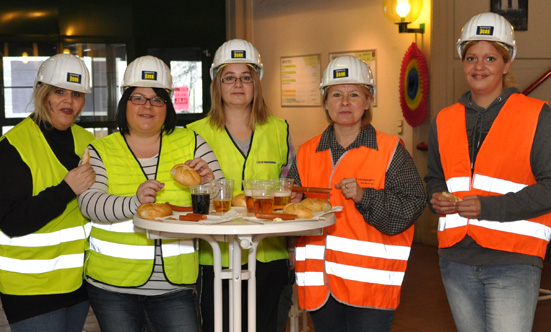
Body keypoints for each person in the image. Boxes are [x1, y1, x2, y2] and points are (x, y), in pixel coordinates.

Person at [425, 12, 551, 332]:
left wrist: (487, 207)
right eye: (471, 57)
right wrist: (435, 197)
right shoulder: (445, 119)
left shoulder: (537, 115)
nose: (479, 66)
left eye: (490, 57)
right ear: (462, 61)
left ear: (507, 64)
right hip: (456, 258)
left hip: (513, 260)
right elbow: (435, 177)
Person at [77, 55, 223, 332]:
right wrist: (135, 202)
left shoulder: (192, 142)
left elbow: (219, 205)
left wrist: (208, 184)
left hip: (175, 286)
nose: (148, 106)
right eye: (138, 98)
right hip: (112, 285)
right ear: (125, 102)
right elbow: (90, 204)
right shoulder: (100, 149)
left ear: (167, 106)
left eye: (157, 99)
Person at [288, 55, 426, 332]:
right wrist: (292, 204)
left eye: (354, 94)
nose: (345, 102)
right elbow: (292, 210)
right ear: (325, 103)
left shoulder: (390, 150)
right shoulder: (306, 152)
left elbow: (412, 205)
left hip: (370, 284)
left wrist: (366, 197)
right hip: (320, 284)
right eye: (336, 94)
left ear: (368, 101)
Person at [187, 39, 294, 332]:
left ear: (257, 83)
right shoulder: (194, 134)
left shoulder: (279, 129)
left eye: (246, 77)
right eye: (229, 78)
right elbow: (188, 197)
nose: (238, 84)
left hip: (269, 256)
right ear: (217, 85)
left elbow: (293, 188)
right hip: (215, 257)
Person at [0, 54, 95, 331]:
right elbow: (11, 222)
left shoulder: (87, 142)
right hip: (31, 287)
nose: (69, 101)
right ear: (43, 93)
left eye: (76, 94)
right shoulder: (12, 147)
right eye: (59, 92)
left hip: (79, 281)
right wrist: (66, 190)